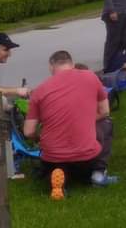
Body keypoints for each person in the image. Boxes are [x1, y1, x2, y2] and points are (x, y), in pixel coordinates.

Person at [24, 50, 118, 191]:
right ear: (72, 64)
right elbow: (105, 111)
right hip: (86, 160)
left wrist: (39, 137)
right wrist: (85, 120)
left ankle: (58, 175)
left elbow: (28, 132)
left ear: (51, 67)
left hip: (52, 158)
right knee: (106, 123)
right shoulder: (90, 77)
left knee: (56, 161)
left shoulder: (39, 90)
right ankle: (98, 173)